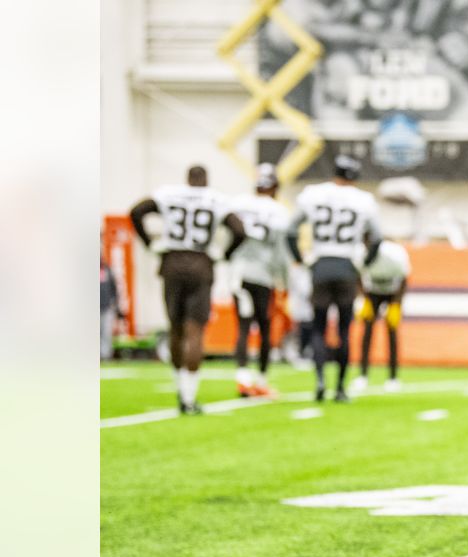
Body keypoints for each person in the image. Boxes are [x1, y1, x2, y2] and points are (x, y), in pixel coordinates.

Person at [129, 165, 246, 414]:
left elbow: (136, 211)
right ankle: (189, 397)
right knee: (195, 330)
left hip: (172, 262)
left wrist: (150, 242)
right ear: (206, 180)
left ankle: (179, 389)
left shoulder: (169, 195)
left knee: (176, 329)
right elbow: (239, 230)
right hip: (201, 264)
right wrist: (224, 253)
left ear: (187, 179)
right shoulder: (217, 199)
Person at [286, 155, 382, 403]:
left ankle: (319, 380)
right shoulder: (363, 200)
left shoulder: (314, 194)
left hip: (320, 265)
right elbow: (378, 237)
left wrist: (301, 258)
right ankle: (339, 387)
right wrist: (364, 265)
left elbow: (291, 230)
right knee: (344, 330)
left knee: (318, 328)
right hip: (347, 266)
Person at [229, 164, 291, 398]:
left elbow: (227, 233)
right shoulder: (279, 212)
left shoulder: (238, 204)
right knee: (264, 328)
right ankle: (261, 380)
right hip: (264, 276)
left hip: (239, 273)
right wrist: (284, 282)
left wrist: (227, 257)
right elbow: (281, 253)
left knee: (243, 325)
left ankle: (243, 377)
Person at [352, 238, 412, 394]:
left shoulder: (395, 254)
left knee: (392, 334)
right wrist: (363, 297)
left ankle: (393, 377)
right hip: (372, 292)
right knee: (367, 333)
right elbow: (357, 276)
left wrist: (396, 304)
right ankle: (363, 375)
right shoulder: (360, 253)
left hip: (393, 292)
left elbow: (405, 279)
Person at [100, 254, 122, 361]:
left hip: (106, 307)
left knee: (106, 332)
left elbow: (114, 289)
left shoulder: (107, 270)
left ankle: (105, 355)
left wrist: (115, 306)